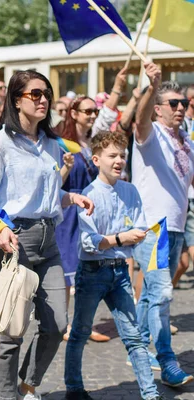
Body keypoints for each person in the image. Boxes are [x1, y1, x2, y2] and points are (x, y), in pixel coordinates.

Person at [0, 70, 94, 400]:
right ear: (16, 100)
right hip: (14, 241)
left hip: (49, 239)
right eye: (35, 94)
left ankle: (28, 384)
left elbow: (48, 197)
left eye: (46, 94)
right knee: (10, 332)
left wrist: (72, 198)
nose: (43, 100)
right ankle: (7, 396)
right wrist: (0, 232)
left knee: (56, 324)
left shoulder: (52, 145)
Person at [65, 130, 161, 400]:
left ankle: (150, 393)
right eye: (112, 156)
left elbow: (139, 227)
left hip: (119, 271)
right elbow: (87, 242)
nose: (119, 160)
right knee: (81, 332)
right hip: (92, 272)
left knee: (133, 336)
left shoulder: (130, 191)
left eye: (122, 155)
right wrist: (120, 238)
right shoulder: (88, 193)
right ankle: (74, 388)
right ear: (96, 159)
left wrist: (134, 244)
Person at [131, 63, 194, 387]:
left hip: (177, 227)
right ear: (158, 108)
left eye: (183, 103)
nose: (181, 107)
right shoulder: (151, 133)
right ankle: (167, 361)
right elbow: (139, 120)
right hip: (154, 228)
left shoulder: (187, 139)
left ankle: (139, 346)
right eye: (174, 103)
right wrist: (151, 86)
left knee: (151, 296)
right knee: (162, 294)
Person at [57, 96, 112, 344]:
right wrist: (67, 167)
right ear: (74, 113)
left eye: (95, 110)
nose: (92, 115)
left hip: (89, 212)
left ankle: (83, 324)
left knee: (87, 273)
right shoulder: (60, 143)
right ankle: (66, 325)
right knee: (70, 274)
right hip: (69, 213)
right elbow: (54, 184)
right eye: (88, 110)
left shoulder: (91, 143)